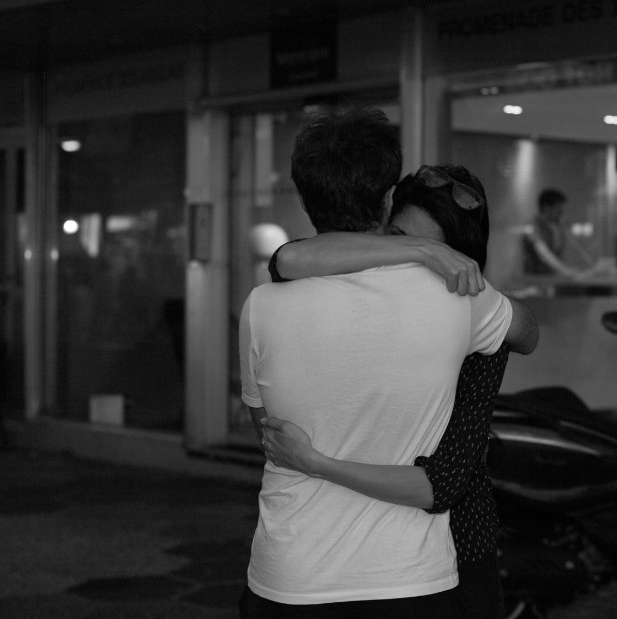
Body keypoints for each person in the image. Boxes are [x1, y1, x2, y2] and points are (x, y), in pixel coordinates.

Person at [238, 108, 537, 617]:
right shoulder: (451, 298)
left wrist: (316, 462)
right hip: (388, 574)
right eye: (396, 239)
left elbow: (442, 484)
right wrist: (422, 253)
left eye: (423, 246)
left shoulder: (263, 305)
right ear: (383, 210)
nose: (397, 254)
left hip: (448, 549)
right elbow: (287, 258)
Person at [523, 188, 593, 277]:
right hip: (533, 281)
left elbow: (574, 248)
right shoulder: (532, 227)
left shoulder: (554, 227)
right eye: (559, 210)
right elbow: (544, 254)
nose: (562, 214)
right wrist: (566, 272)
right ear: (547, 208)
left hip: (550, 279)